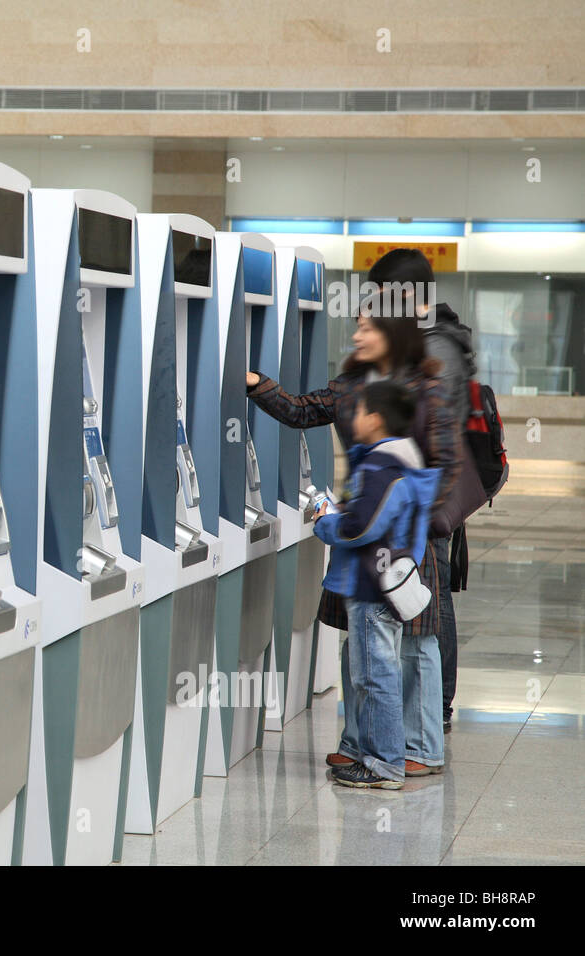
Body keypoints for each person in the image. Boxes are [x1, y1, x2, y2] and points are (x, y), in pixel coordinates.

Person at [246, 290, 461, 776]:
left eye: (367, 326)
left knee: (412, 639)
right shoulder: (351, 386)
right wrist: (256, 383)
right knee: (364, 643)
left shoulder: (426, 387)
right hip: (366, 527)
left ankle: (418, 748)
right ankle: (363, 741)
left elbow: (447, 463)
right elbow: (301, 411)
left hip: (406, 533)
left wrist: (406, 518)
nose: (357, 334)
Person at [312, 381, 440, 788]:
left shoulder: (382, 466)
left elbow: (362, 527)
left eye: (362, 410)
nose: (354, 417)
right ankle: (373, 756)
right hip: (386, 580)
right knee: (373, 672)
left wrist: (325, 523)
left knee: (375, 675)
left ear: (378, 419)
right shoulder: (398, 461)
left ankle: (383, 764)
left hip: (373, 585)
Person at [366, 249, 473, 733]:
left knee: (432, 603)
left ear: (409, 295)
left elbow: (428, 431)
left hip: (425, 495)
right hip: (412, 491)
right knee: (426, 600)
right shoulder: (423, 342)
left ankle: (436, 712)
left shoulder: (440, 349)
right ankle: (427, 714)